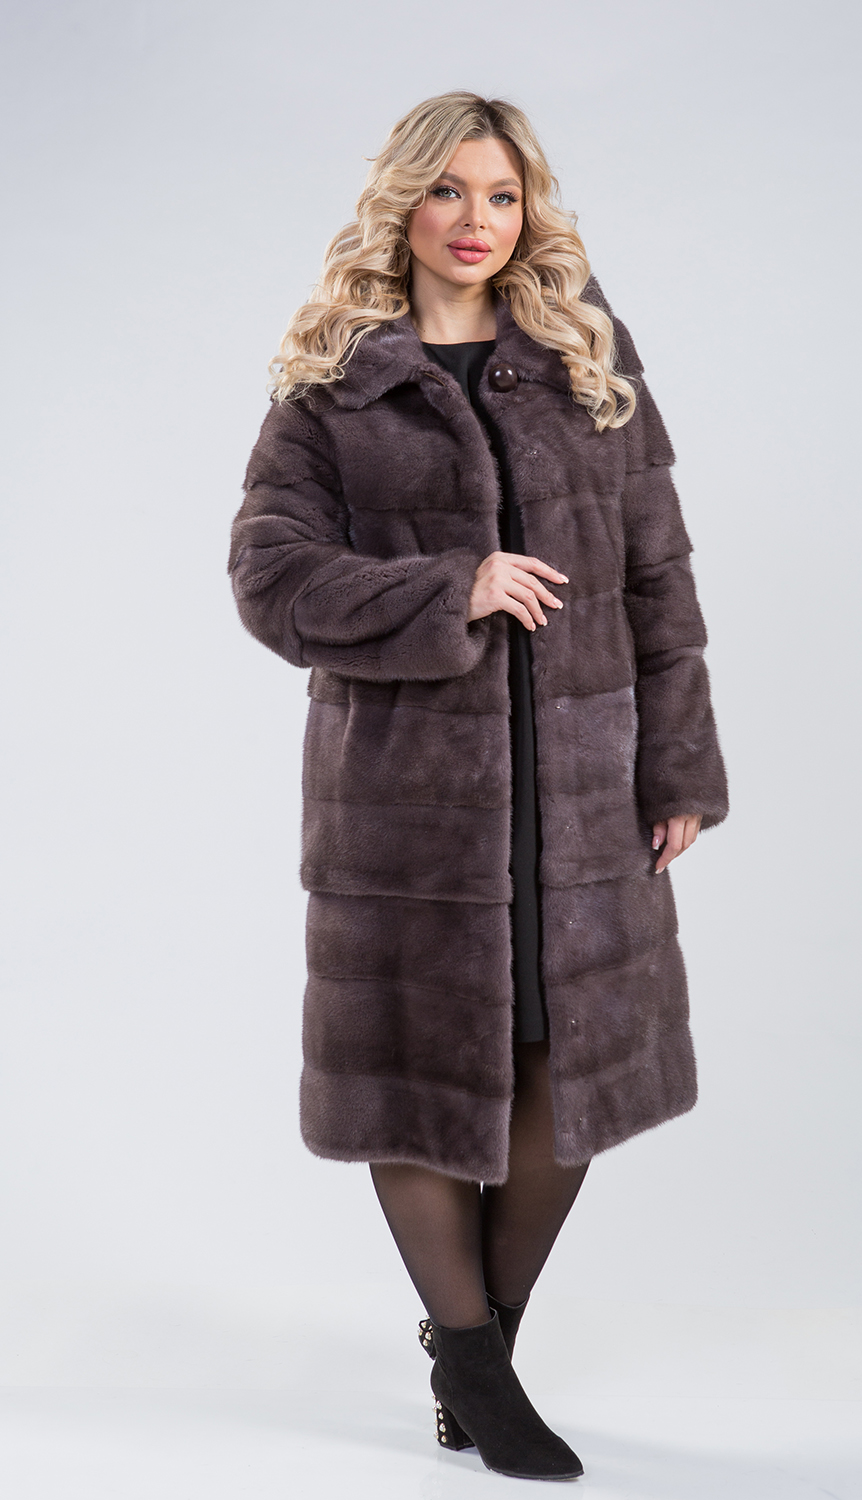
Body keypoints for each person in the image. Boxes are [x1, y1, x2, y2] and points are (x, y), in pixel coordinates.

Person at [228, 90, 729, 1482]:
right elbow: (268, 579)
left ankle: (478, 1355)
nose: (476, 221)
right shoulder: (336, 380)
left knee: (568, 1066)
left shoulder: (586, 356)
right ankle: (475, 1367)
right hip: (408, 802)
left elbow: (658, 576)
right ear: (403, 202)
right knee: (416, 1071)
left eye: (501, 195)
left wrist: (679, 763)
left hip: (582, 788)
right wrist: (451, 585)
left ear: (529, 210)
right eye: (449, 191)